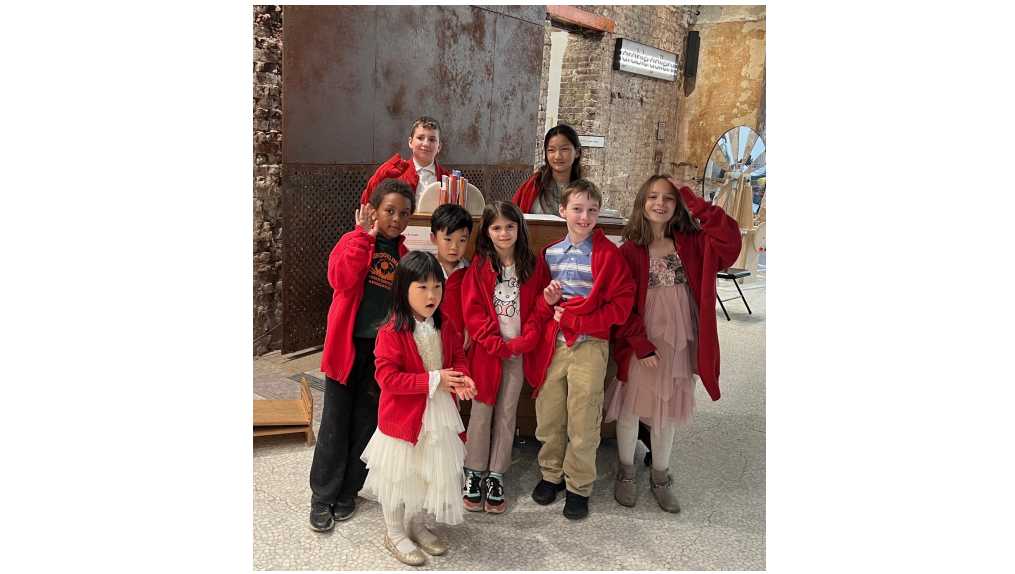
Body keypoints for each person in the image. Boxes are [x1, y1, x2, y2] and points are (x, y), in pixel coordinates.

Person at [608, 175, 741, 512]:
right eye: (653, 196)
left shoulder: (694, 243)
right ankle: (625, 472)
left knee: (667, 411)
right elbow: (621, 304)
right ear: (642, 203)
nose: (661, 204)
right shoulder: (629, 251)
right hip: (644, 340)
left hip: (680, 339)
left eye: (669, 198)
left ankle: (660, 475)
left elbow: (730, 239)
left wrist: (693, 199)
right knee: (631, 408)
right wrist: (639, 342)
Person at [308, 179, 416, 532]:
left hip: (381, 354)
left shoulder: (405, 258)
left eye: (403, 213)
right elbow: (340, 279)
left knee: (366, 424)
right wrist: (363, 238)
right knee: (335, 423)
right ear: (373, 210)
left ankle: (349, 492)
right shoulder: (354, 241)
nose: (396, 219)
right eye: (389, 211)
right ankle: (322, 495)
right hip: (347, 347)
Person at [361, 250, 478, 566]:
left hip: (437, 414)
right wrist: (435, 379)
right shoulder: (391, 331)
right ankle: (394, 531)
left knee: (428, 470)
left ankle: (416, 522)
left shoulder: (446, 324)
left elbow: (458, 359)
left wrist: (460, 378)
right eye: (422, 287)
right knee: (400, 475)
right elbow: (388, 379)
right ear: (403, 289)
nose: (432, 295)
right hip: (403, 418)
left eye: (437, 287)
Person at [528, 179, 635, 520]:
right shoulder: (550, 254)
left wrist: (580, 321)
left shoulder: (608, 255)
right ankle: (552, 474)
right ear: (562, 211)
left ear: (598, 213)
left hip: (590, 345)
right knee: (550, 413)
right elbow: (541, 304)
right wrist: (548, 303)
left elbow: (621, 305)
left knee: (584, 418)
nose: (584, 216)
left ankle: (578, 485)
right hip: (554, 346)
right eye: (577, 208)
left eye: (591, 210)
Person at [460, 201, 549, 514]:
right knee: (482, 411)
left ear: (519, 228)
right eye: (496, 227)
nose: (503, 232)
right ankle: (474, 472)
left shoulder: (533, 265)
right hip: (487, 354)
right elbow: (473, 313)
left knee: (508, 412)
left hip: (517, 353)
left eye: (509, 226)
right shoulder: (480, 266)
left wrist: (527, 340)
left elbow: (541, 307)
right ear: (486, 231)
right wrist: (495, 344)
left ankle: (496, 474)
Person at [360, 116, 452, 206]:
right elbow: (367, 203)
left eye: (432, 140)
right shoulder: (394, 173)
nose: (426, 144)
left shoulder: (450, 180)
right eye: (420, 138)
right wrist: (380, 174)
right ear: (410, 142)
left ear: (439, 147)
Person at [512, 124, 584, 215]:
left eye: (564, 149)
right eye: (551, 150)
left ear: (577, 152)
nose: (558, 156)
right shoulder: (532, 186)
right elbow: (513, 219)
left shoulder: (584, 190)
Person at [429, 203, 473, 350]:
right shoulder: (424, 271)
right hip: (430, 343)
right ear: (434, 238)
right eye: (448, 239)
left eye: (462, 240)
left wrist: (471, 326)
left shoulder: (471, 274)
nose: (454, 247)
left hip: (461, 345)